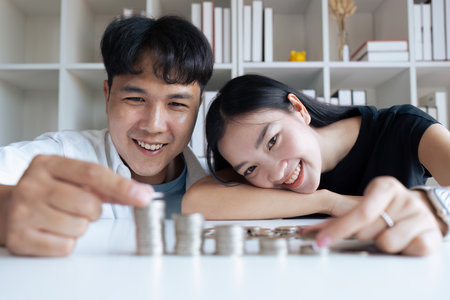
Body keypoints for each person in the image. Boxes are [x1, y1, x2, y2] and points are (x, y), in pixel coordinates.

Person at [0, 14, 213, 256]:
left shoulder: (217, 178)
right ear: (107, 95)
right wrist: (6, 209)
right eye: (135, 99)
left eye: (176, 104)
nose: (153, 126)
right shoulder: (64, 153)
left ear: (198, 107)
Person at [182, 74, 450, 256]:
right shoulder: (260, 179)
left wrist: (433, 208)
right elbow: (196, 201)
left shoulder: (404, 127)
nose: (276, 173)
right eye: (250, 168)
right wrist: (328, 202)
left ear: (298, 109)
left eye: (273, 140)